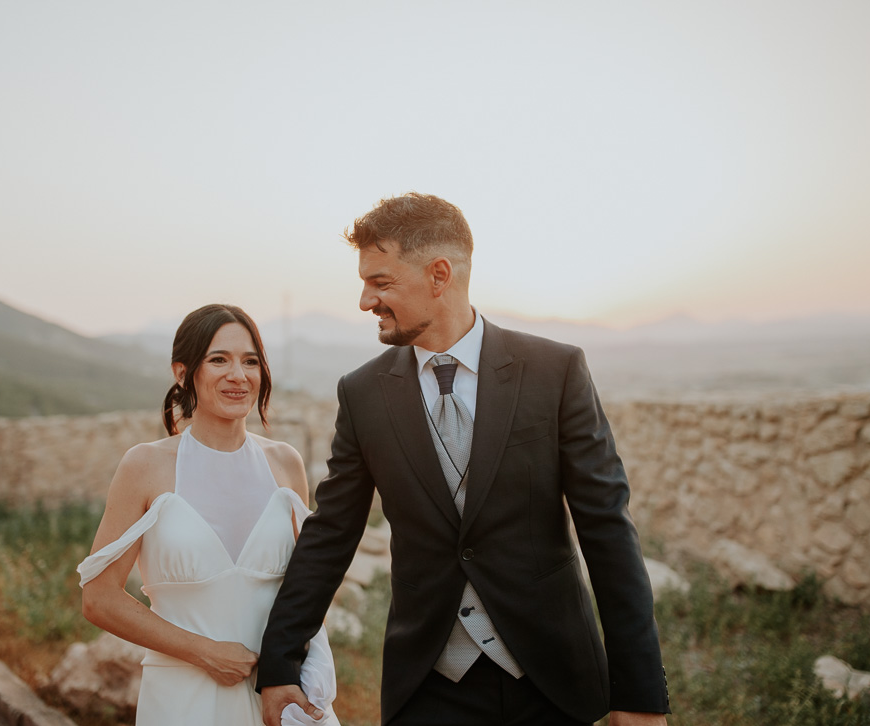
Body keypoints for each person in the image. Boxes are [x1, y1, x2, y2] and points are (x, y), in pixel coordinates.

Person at [258, 194, 670, 726]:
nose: (365, 301)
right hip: (429, 686)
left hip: (555, 682)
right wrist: (279, 663)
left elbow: (607, 530)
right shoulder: (362, 393)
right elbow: (332, 531)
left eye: (380, 282)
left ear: (439, 274)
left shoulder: (554, 371)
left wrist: (639, 695)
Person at [78, 303, 341, 725]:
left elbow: (306, 586)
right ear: (183, 373)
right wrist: (206, 652)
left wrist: (291, 671)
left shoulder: (285, 464)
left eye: (250, 361)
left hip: (276, 697)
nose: (238, 375)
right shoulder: (145, 467)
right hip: (183, 700)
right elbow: (99, 598)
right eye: (219, 359)